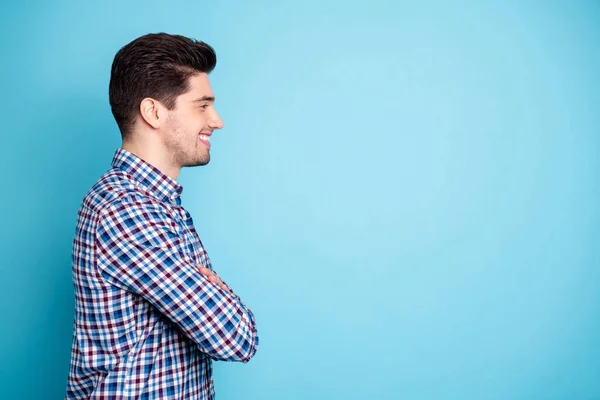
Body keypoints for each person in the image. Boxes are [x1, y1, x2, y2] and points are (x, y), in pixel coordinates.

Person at [65, 32, 259, 399]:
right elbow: (235, 337)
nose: (216, 121)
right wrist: (212, 287)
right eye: (202, 105)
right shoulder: (125, 210)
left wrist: (209, 290)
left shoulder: (157, 205)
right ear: (154, 112)